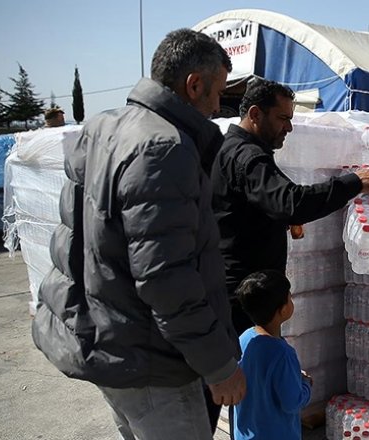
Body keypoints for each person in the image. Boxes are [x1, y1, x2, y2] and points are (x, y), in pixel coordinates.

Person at [32, 28, 245, 440]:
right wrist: (219, 367)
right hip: (152, 365)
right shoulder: (164, 148)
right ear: (193, 84)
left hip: (112, 345)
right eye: (217, 93)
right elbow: (167, 280)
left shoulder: (104, 127)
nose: (219, 107)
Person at [211, 78, 369, 335]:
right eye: (283, 118)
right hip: (244, 298)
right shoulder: (248, 158)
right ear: (255, 114)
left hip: (241, 291)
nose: (289, 127)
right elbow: (293, 202)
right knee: (251, 368)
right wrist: (353, 182)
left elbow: (272, 203)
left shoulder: (234, 150)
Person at [232, 270, 312, 440]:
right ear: (282, 310)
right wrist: (305, 384)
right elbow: (292, 402)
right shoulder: (282, 354)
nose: (291, 301)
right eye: (289, 298)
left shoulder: (244, 339)